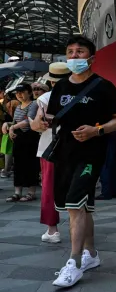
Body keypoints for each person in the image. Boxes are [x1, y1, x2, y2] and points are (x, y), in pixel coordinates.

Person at [36, 35, 116, 288]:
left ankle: (74, 262)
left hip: (92, 153)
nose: (75, 56)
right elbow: (51, 119)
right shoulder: (62, 87)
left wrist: (96, 131)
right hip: (65, 153)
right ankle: (92, 254)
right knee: (81, 206)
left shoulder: (103, 86)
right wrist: (42, 122)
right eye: (71, 52)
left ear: (92, 57)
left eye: (80, 52)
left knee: (75, 204)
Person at [31, 62, 72, 243]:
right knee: (75, 187)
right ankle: (77, 227)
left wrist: (39, 122)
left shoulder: (46, 98)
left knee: (49, 189)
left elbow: (37, 126)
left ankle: (52, 230)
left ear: (51, 80)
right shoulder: (80, 96)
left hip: (51, 148)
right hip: (76, 148)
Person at [3, 83, 40, 202]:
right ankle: (17, 192)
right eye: (17, 92)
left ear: (29, 92)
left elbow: (28, 121)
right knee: (18, 164)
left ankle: (31, 192)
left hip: (30, 138)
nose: (19, 94)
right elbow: (15, 121)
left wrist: (13, 127)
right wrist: (7, 125)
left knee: (31, 165)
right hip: (19, 139)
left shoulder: (33, 104)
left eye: (22, 92)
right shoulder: (18, 106)